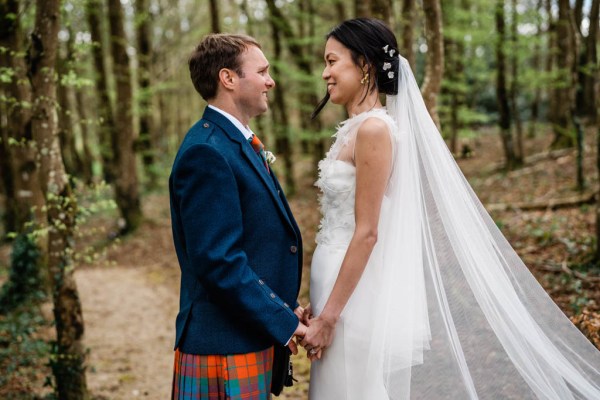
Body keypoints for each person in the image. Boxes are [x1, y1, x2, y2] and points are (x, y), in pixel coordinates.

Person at [300, 18, 600, 399]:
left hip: (355, 298)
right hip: (336, 285)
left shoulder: (374, 131)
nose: (325, 72)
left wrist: (330, 316)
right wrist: (321, 304)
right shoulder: (354, 128)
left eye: (332, 61)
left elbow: (368, 231)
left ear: (365, 66)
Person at [169, 33, 306, 399]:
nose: (270, 81)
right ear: (228, 79)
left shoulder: (232, 142)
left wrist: (283, 304)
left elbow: (254, 239)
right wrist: (283, 319)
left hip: (244, 331)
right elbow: (219, 261)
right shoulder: (207, 152)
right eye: (261, 71)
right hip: (223, 345)